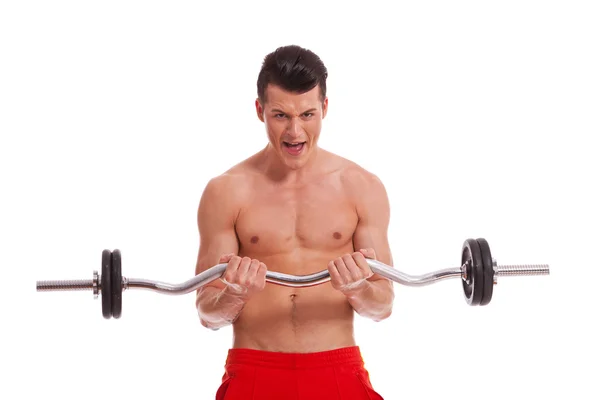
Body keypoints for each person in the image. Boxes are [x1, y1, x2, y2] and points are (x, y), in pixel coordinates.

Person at [194, 44, 395, 400]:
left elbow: (383, 306)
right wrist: (234, 295)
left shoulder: (361, 187)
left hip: (336, 369)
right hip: (255, 369)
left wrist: (358, 289)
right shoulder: (225, 192)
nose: (295, 132)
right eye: (281, 115)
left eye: (307, 115)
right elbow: (208, 314)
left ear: (325, 109)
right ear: (260, 111)